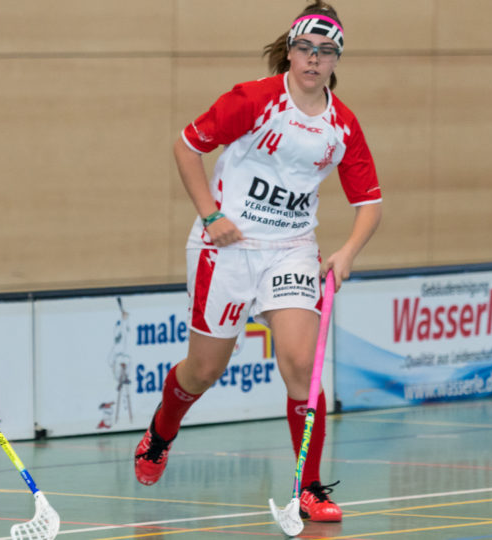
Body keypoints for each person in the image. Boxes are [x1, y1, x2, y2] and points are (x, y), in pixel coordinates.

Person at [133, 0, 381, 524]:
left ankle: (309, 488)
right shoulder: (254, 100)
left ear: (337, 59)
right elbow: (185, 147)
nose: (314, 59)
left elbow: (369, 204)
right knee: (203, 370)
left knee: (300, 365)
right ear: (289, 52)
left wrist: (346, 252)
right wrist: (210, 215)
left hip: (291, 249)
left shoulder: (343, 126)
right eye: (305, 49)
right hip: (225, 248)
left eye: (326, 51)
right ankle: (161, 432)